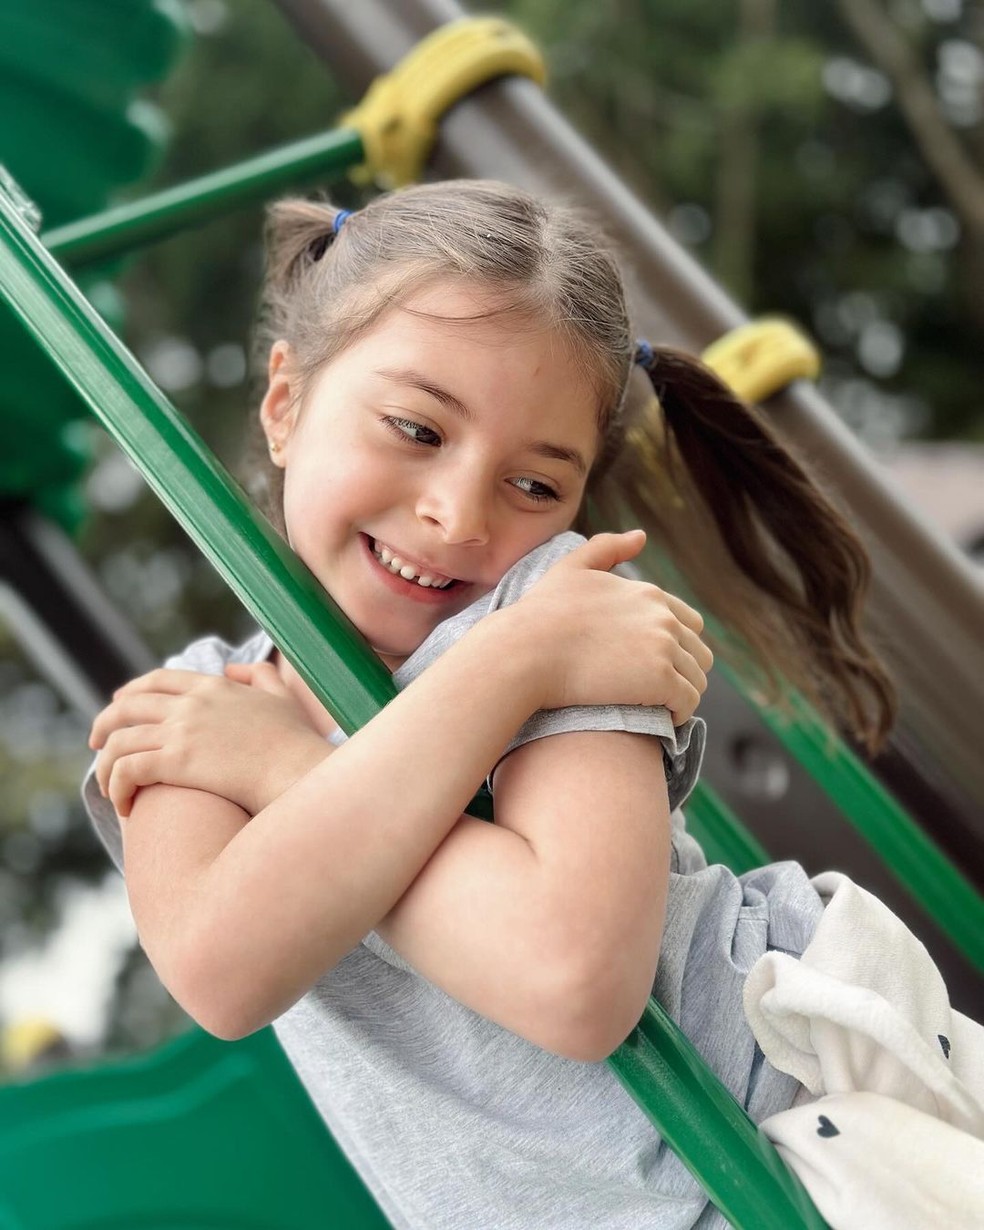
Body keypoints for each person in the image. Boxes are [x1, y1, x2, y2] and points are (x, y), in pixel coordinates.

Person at [82, 180, 896, 1229]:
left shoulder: (555, 609)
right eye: (418, 429)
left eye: (534, 486)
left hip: (799, 1135)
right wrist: (510, 671)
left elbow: (573, 980)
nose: (456, 515)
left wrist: (298, 766)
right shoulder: (199, 709)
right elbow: (222, 971)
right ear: (285, 403)